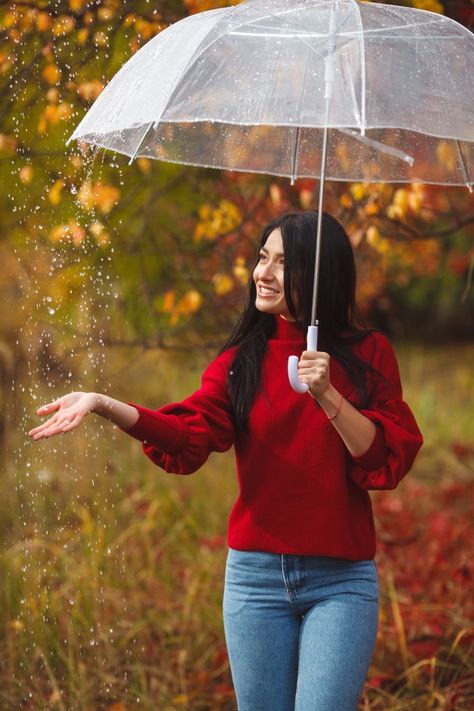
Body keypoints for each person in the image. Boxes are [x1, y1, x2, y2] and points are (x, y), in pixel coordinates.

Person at [28, 211, 423, 711]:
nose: (264, 273)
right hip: (254, 581)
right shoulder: (242, 361)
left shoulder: (368, 355)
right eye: (262, 258)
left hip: (340, 582)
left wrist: (328, 395)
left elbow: (383, 461)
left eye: (284, 263)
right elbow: (186, 436)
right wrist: (106, 404)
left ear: (322, 275)